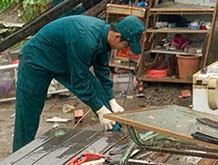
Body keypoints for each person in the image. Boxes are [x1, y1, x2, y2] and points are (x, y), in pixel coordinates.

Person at [12, 15, 144, 151]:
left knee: (95, 87)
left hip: (64, 59)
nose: (125, 48)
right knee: (28, 113)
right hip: (36, 59)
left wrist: (111, 100)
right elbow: (79, 82)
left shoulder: (105, 37)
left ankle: (115, 133)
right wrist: (101, 110)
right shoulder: (85, 40)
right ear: (117, 36)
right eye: (126, 45)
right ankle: (19, 155)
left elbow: (103, 73)